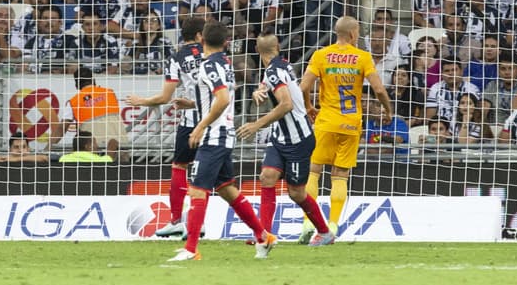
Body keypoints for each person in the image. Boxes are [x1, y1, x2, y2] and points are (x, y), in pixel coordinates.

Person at [169, 19, 278, 263]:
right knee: (227, 190)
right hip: (224, 133)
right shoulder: (226, 63)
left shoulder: (208, 66)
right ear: (226, 42)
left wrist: (200, 125)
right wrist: (193, 104)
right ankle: (263, 235)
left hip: (213, 136)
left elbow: (221, 99)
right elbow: (218, 97)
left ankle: (191, 248)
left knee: (197, 191)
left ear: (201, 40)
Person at [300, 16, 394, 245]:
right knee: (340, 175)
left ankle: (307, 222)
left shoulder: (321, 55)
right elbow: (379, 89)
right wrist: (388, 110)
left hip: (326, 121)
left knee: (313, 171)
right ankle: (332, 226)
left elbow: (303, 86)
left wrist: (309, 106)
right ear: (353, 34)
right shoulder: (362, 57)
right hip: (351, 124)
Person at [237, 34, 330, 244]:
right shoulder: (281, 65)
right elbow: (268, 83)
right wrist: (258, 91)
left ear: (256, 49)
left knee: (296, 194)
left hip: (298, 140)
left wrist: (256, 124)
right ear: (277, 47)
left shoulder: (274, 70)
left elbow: (286, 104)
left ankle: (325, 232)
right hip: (280, 137)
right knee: (267, 177)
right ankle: (264, 235)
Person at [126, 16, 204, 238]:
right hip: (215, 119)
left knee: (180, 167)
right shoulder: (213, 54)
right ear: (200, 35)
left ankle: (177, 220)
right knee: (207, 173)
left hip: (191, 121)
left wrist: (142, 101)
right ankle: (200, 221)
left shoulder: (177, 58)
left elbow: (165, 97)